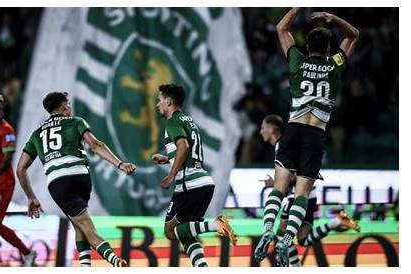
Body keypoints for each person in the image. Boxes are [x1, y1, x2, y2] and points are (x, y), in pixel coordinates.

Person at [254, 8, 359, 267]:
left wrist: (299, 5)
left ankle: (269, 227)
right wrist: (334, 19)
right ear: (328, 48)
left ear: (307, 45)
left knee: (279, 189)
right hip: (315, 134)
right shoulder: (334, 63)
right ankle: (287, 236)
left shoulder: (297, 61)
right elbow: (354, 35)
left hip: (292, 130)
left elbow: (281, 28)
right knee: (302, 193)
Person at [16, 92, 136, 267]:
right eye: (69, 105)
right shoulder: (76, 122)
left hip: (59, 183)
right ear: (64, 107)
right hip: (81, 177)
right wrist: (119, 164)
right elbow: (95, 145)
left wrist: (31, 197)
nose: (70, 108)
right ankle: (85, 267)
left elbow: (20, 169)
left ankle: (114, 260)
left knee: (86, 226)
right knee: (78, 223)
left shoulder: (36, 134)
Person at [151, 84, 237, 267]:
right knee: (187, 232)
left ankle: (216, 225)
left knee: (169, 230)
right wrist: (167, 159)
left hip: (189, 184)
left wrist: (171, 175)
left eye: (159, 100)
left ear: (168, 101)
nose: (157, 104)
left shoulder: (173, 121)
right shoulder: (188, 120)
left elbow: (183, 147)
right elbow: (187, 152)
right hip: (203, 181)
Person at [258, 114, 360, 266]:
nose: (261, 131)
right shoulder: (290, 144)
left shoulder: (283, 145)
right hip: (308, 196)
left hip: (297, 197)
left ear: (272, 129)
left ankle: (295, 267)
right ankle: (336, 221)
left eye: (263, 127)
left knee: (281, 233)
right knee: (304, 239)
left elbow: (292, 176)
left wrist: (275, 183)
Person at [0, 92, 36, 267]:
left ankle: (28, 253)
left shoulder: (7, 130)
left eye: (0, 109)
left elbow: (7, 158)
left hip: (2, 183)